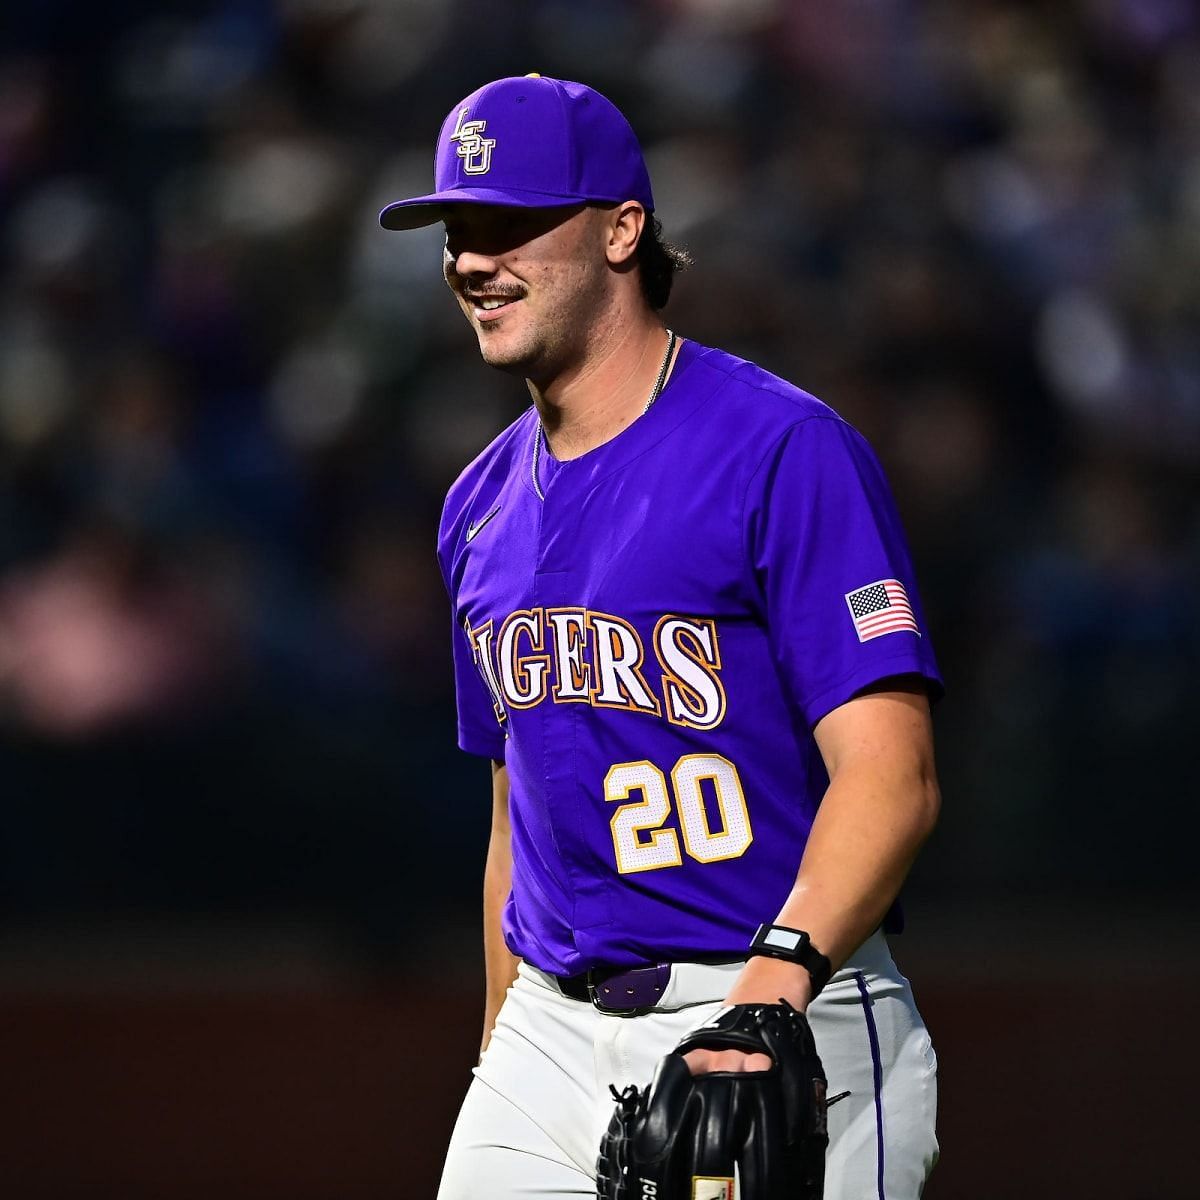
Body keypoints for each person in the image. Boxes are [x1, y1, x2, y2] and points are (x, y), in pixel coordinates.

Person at [381, 74, 942, 1199]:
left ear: (623, 229)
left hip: (784, 1002)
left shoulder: (782, 450)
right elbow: (516, 817)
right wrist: (502, 1051)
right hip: (551, 1029)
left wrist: (774, 990)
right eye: (456, 231)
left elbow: (895, 775)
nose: (471, 260)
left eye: (510, 224)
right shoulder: (476, 505)